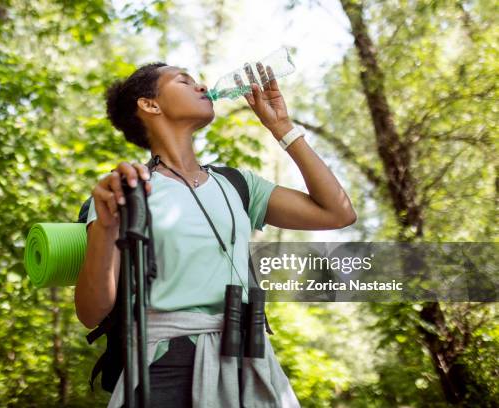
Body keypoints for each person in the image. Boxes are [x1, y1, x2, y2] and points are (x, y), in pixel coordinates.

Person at [75, 62, 357, 407]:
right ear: (150, 104)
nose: (201, 85)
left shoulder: (238, 185)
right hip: (163, 367)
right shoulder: (124, 191)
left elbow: (338, 212)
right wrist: (106, 226)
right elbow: (91, 312)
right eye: (184, 80)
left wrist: (283, 129)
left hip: (248, 362)